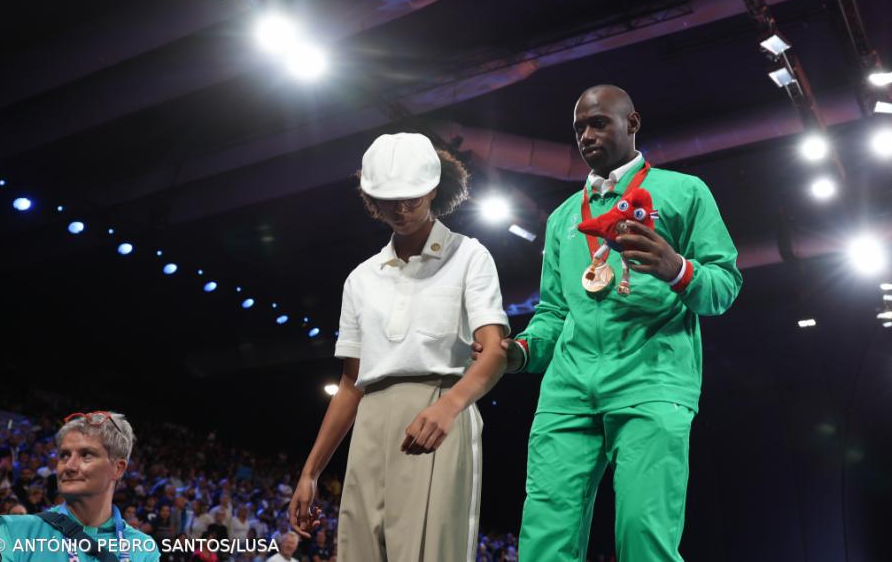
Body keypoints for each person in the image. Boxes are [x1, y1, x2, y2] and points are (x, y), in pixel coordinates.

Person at [474, 85, 742, 561]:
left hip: (651, 381)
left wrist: (677, 269)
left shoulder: (684, 192)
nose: (587, 135)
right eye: (579, 128)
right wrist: (519, 352)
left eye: (598, 123)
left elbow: (723, 286)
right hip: (567, 392)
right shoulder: (561, 220)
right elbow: (553, 314)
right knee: (543, 540)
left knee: (644, 536)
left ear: (632, 123)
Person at [288, 132, 512, 561]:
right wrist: (310, 473)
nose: (401, 208)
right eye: (388, 198)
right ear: (371, 197)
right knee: (360, 552)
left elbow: (495, 350)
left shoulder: (470, 256)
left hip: (441, 410)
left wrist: (450, 407)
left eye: (411, 196)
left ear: (433, 187)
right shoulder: (361, 278)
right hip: (370, 420)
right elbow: (351, 382)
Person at [0, 410, 160, 561]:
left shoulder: (143, 549)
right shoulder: (15, 531)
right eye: (64, 455)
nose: (69, 466)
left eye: (86, 455)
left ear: (117, 468)